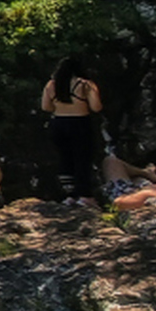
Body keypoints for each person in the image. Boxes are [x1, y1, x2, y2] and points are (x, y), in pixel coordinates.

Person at [40, 57, 103, 202]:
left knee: (65, 158)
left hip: (58, 123)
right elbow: (96, 107)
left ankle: (69, 195)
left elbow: (45, 107)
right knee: (82, 159)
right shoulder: (85, 84)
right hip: (80, 123)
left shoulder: (51, 85)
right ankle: (85, 195)